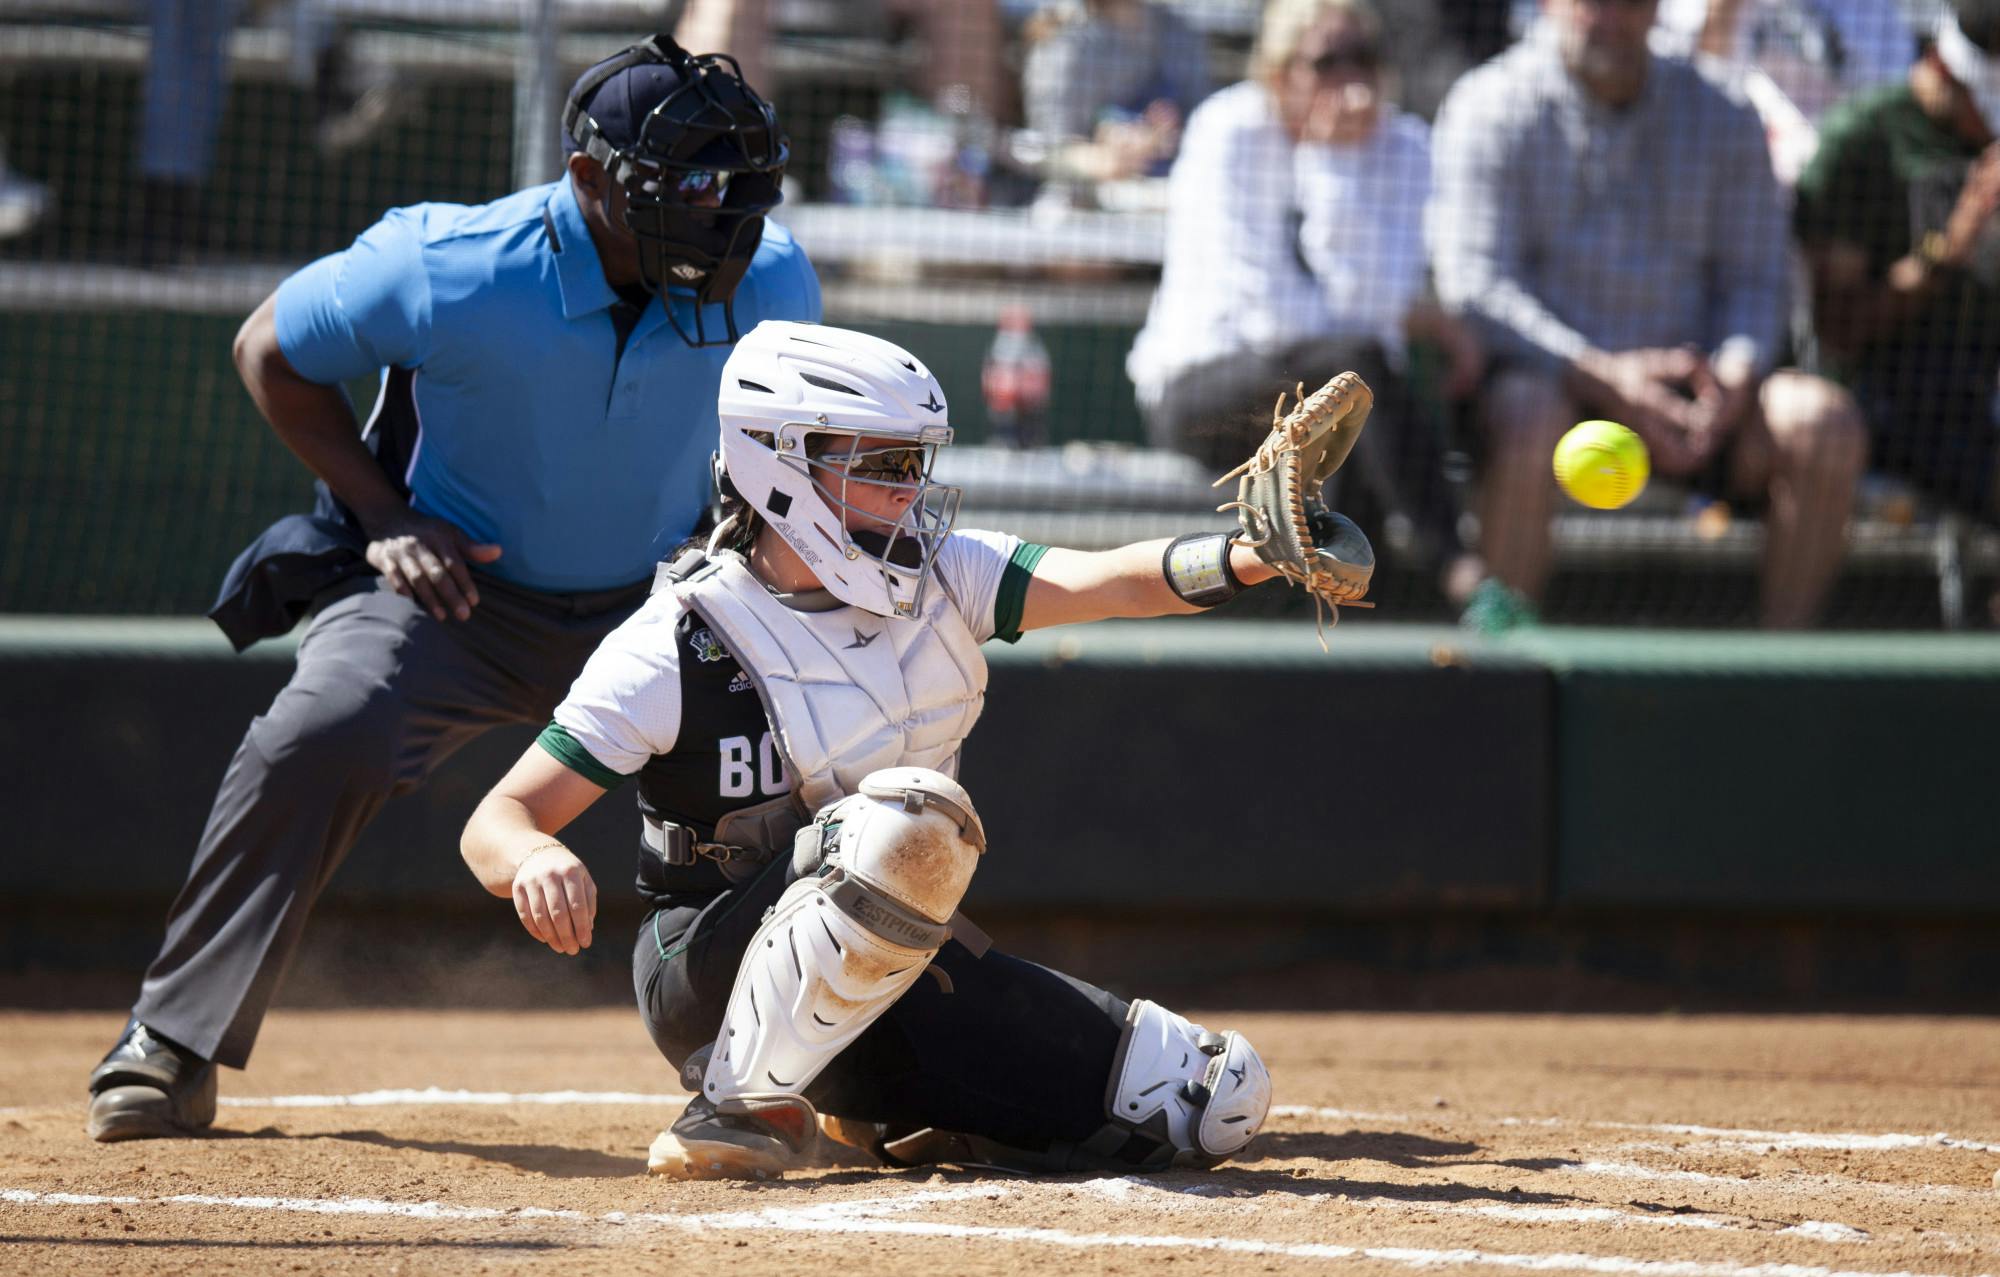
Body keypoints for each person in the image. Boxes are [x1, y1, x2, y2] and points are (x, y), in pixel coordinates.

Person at [86, 36, 822, 1143]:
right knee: (320, 728)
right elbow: (267, 349)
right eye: (685, 186)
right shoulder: (452, 263)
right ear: (588, 180)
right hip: (455, 596)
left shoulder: (769, 276)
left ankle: (795, 1071)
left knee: (791, 759)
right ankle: (172, 1039)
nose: (720, 218)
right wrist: (383, 514)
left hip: (657, 607)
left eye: (736, 189)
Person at [459, 321, 1305, 1179]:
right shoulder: (679, 640)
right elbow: (499, 816)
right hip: (708, 974)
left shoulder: (945, 575)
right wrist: (530, 853)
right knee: (899, 818)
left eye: (916, 464)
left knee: (1211, 1098)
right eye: (883, 464)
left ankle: (890, 1109)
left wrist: (1250, 555)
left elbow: (1114, 579)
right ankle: (737, 1104)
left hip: (892, 972)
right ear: (779, 464)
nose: (910, 491)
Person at [1429, 0, 1867, 630]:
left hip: (1699, 403)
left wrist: (1735, 374)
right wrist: (1598, 373)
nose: (1610, 17)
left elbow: (1758, 278)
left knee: (1823, 421)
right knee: (1526, 416)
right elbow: (1474, 287)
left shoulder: (1724, 110)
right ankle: (1503, 664)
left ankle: (1782, 673)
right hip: (1554, 388)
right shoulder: (1489, 105)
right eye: (1590, 3)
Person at [1127, 0, 1482, 578]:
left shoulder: (1405, 146)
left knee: (1349, 414)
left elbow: (1378, 307)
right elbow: (1273, 320)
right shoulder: (1229, 129)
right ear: (1279, 71)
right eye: (1326, 62)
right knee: (1353, 382)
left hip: (1337, 403)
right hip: (1208, 396)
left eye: (1363, 59)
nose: (1350, 81)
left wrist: (1339, 166)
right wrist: (1328, 159)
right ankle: (1456, 568)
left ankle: (1367, 619)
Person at [1794, 0, 2000, 537]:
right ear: (1942, 67)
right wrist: (1953, 243)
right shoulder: (1864, 139)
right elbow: (1840, 327)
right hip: (1894, 402)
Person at [1020, 0, 1213, 188]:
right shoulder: (1065, 46)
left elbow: (1204, 124)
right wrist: (1100, 158)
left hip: (1173, 191)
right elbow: (1046, 151)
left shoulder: (1178, 31)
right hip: (1085, 199)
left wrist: (1162, 138)